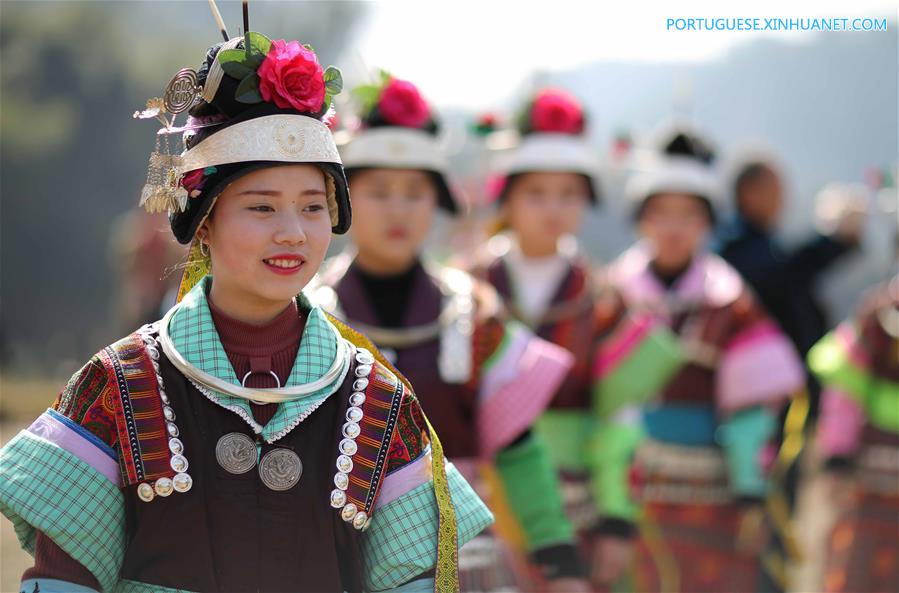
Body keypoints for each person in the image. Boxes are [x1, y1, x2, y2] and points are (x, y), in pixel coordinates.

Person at [0, 24, 491, 593]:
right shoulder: (117, 386)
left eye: (312, 207)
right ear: (203, 222)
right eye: (261, 207)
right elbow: (65, 581)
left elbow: (413, 581)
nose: (293, 233)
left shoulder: (379, 400)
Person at [309, 75, 589, 592]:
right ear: (340, 200)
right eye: (379, 192)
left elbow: (519, 449)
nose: (399, 210)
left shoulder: (473, 313)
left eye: (415, 193)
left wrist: (557, 555)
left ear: (436, 204)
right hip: (340, 559)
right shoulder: (310, 315)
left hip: (464, 559)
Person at [470, 88, 683, 590]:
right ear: (509, 198)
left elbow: (619, 419)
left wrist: (615, 518)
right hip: (481, 496)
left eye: (569, 194)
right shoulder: (468, 288)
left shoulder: (604, 297)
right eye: (537, 194)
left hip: (577, 503)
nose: (554, 208)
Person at [609, 127, 806, 593]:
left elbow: (752, 411)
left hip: (714, 488)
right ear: (642, 220)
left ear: (708, 224)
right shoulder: (611, 296)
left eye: (689, 215)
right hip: (624, 486)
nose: (674, 228)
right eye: (662, 214)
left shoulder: (731, 303)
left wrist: (749, 487)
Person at [808, 274, 899, 593]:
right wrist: (837, 456)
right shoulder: (877, 316)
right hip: (870, 472)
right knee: (858, 568)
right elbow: (845, 391)